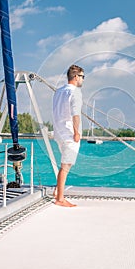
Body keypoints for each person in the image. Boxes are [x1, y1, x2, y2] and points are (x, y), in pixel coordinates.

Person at [53, 65, 84, 207]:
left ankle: (56, 190)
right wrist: (76, 132)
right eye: (82, 77)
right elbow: (75, 114)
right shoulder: (76, 92)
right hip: (69, 134)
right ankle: (60, 199)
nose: (83, 80)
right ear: (76, 76)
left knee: (64, 164)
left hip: (59, 132)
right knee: (66, 166)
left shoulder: (59, 91)